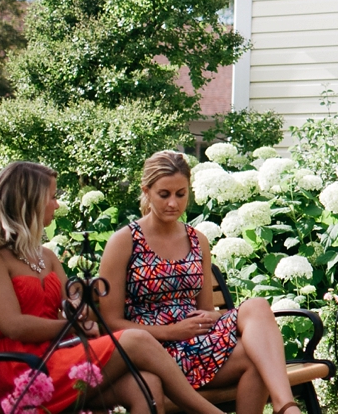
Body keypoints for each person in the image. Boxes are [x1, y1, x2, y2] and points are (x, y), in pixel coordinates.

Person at [0, 161, 227, 414]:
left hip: (61, 356)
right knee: (135, 340)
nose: (56, 204)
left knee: (145, 386)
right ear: (29, 203)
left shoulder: (45, 257)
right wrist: (74, 325)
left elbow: (74, 310)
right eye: (51, 197)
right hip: (24, 369)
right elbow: (14, 326)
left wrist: (82, 312)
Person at [99, 152, 300, 414]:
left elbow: (205, 310)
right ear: (146, 191)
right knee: (257, 357)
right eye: (164, 194)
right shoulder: (125, 241)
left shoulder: (197, 240)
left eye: (181, 194)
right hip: (155, 352)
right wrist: (173, 332)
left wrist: (210, 321)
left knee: (257, 309)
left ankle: (286, 407)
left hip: (197, 344)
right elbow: (111, 323)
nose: (173, 203)